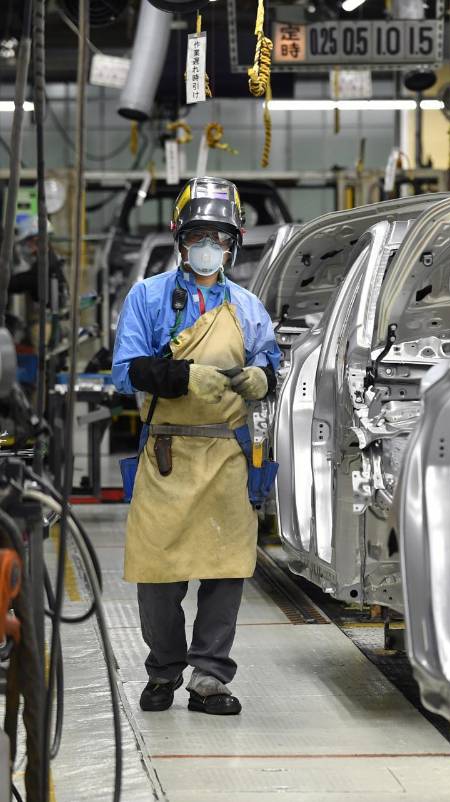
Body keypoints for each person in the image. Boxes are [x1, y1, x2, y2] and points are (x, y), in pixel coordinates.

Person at [112, 177, 281, 716]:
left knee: (227, 570)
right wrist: (182, 378)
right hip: (166, 456)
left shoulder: (249, 307)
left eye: (220, 237)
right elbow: (125, 372)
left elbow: (271, 361)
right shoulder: (148, 297)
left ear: (234, 242)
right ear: (180, 239)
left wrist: (265, 377)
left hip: (226, 456)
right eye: (200, 235)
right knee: (158, 575)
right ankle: (164, 669)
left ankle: (209, 678)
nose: (210, 246)